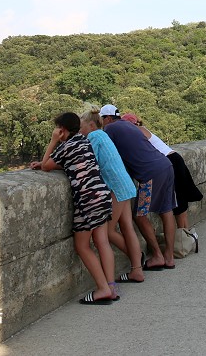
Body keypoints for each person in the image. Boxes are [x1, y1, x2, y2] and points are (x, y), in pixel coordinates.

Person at [29, 112, 118, 305]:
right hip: (102, 194)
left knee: (82, 246)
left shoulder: (65, 146)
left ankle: (102, 289)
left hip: (87, 201)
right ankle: (111, 287)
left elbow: (46, 166)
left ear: (62, 129)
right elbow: (76, 163)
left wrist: (54, 141)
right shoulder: (83, 141)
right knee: (102, 242)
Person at [98, 104, 178, 271]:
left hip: (150, 173)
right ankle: (169, 257)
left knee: (140, 215)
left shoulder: (110, 129)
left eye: (102, 120)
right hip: (165, 165)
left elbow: (103, 153)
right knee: (166, 210)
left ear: (107, 119)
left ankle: (157, 256)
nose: (102, 124)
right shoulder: (129, 125)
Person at [80, 108, 146, 284]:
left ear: (91, 125)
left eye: (82, 126)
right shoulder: (103, 135)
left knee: (108, 231)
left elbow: (87, 161)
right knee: (127, 227)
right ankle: (137, 269)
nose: (80, 130)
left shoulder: (94, 137)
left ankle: (138, 260)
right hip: (125, 184)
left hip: (116, 187)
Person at [123, 112, 204, 230]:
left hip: (169, 161)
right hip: (173, 159)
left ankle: (183, 236)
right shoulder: (142, 129)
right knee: (180, 200)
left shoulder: (139, 130)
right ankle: (187, 234)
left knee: (178, 201)